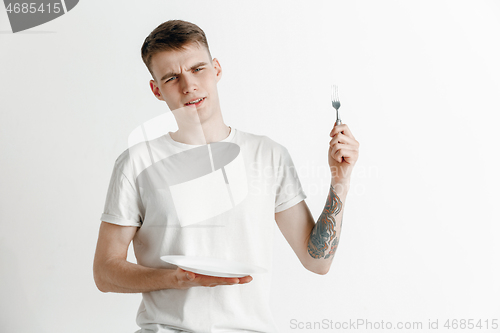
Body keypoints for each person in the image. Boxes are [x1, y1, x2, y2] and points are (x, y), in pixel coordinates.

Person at [93, 20, 359, 333]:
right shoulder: (136, 162)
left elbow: (317, 261)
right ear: (157, 90)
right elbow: (105, 272)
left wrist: (340, 177)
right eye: (171, 77)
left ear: (217, 69)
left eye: (197, 69)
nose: (188, 85)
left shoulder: (267, 154)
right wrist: (175, 279)